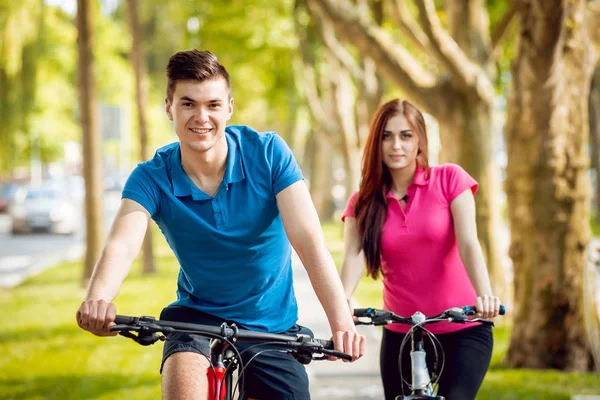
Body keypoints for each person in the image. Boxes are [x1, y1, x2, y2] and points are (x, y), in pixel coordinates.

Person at [76, 49, 365, 400]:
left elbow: (307, 239)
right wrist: (99, 298)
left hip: (271, 327)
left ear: (229, 107)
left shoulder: (269, 153)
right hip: (195, 319)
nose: (202, 116)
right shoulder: (151, 177)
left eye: (213, 104)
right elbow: (121, 245)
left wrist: (341, 322)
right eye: (188, 104)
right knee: (183, 384)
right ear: (168, 107)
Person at [339, 98, 502, 400]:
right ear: (376, 142)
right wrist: (342, 300)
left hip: (463, 327)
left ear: (420, 141)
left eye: (406, 135)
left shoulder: (450, 179)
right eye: (387, 136)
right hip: (402, 333)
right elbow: (353, 254)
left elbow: (468, 243)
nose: (396, 145)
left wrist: (485, 294)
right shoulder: (362, 201)